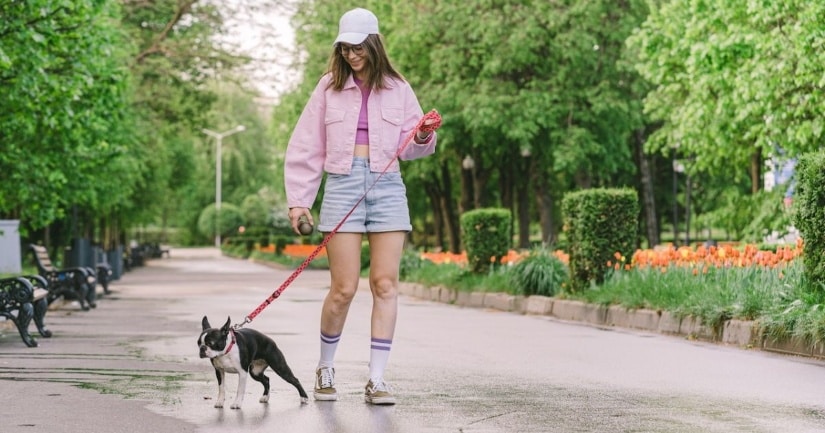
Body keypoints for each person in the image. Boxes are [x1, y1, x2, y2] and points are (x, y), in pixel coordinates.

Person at [283, 7, 440, 406]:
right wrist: (299, 201)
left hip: (387, 185)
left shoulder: (399, 87)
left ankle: (377, 378)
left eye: (358, 48)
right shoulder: (328, 88)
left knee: (385, 285)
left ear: (374, 44)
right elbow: (306, 146)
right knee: (343, 288)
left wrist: (422, 133)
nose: (352, 55)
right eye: (345, 48)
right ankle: (325, 367)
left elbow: (414, 149)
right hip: (342, 183)